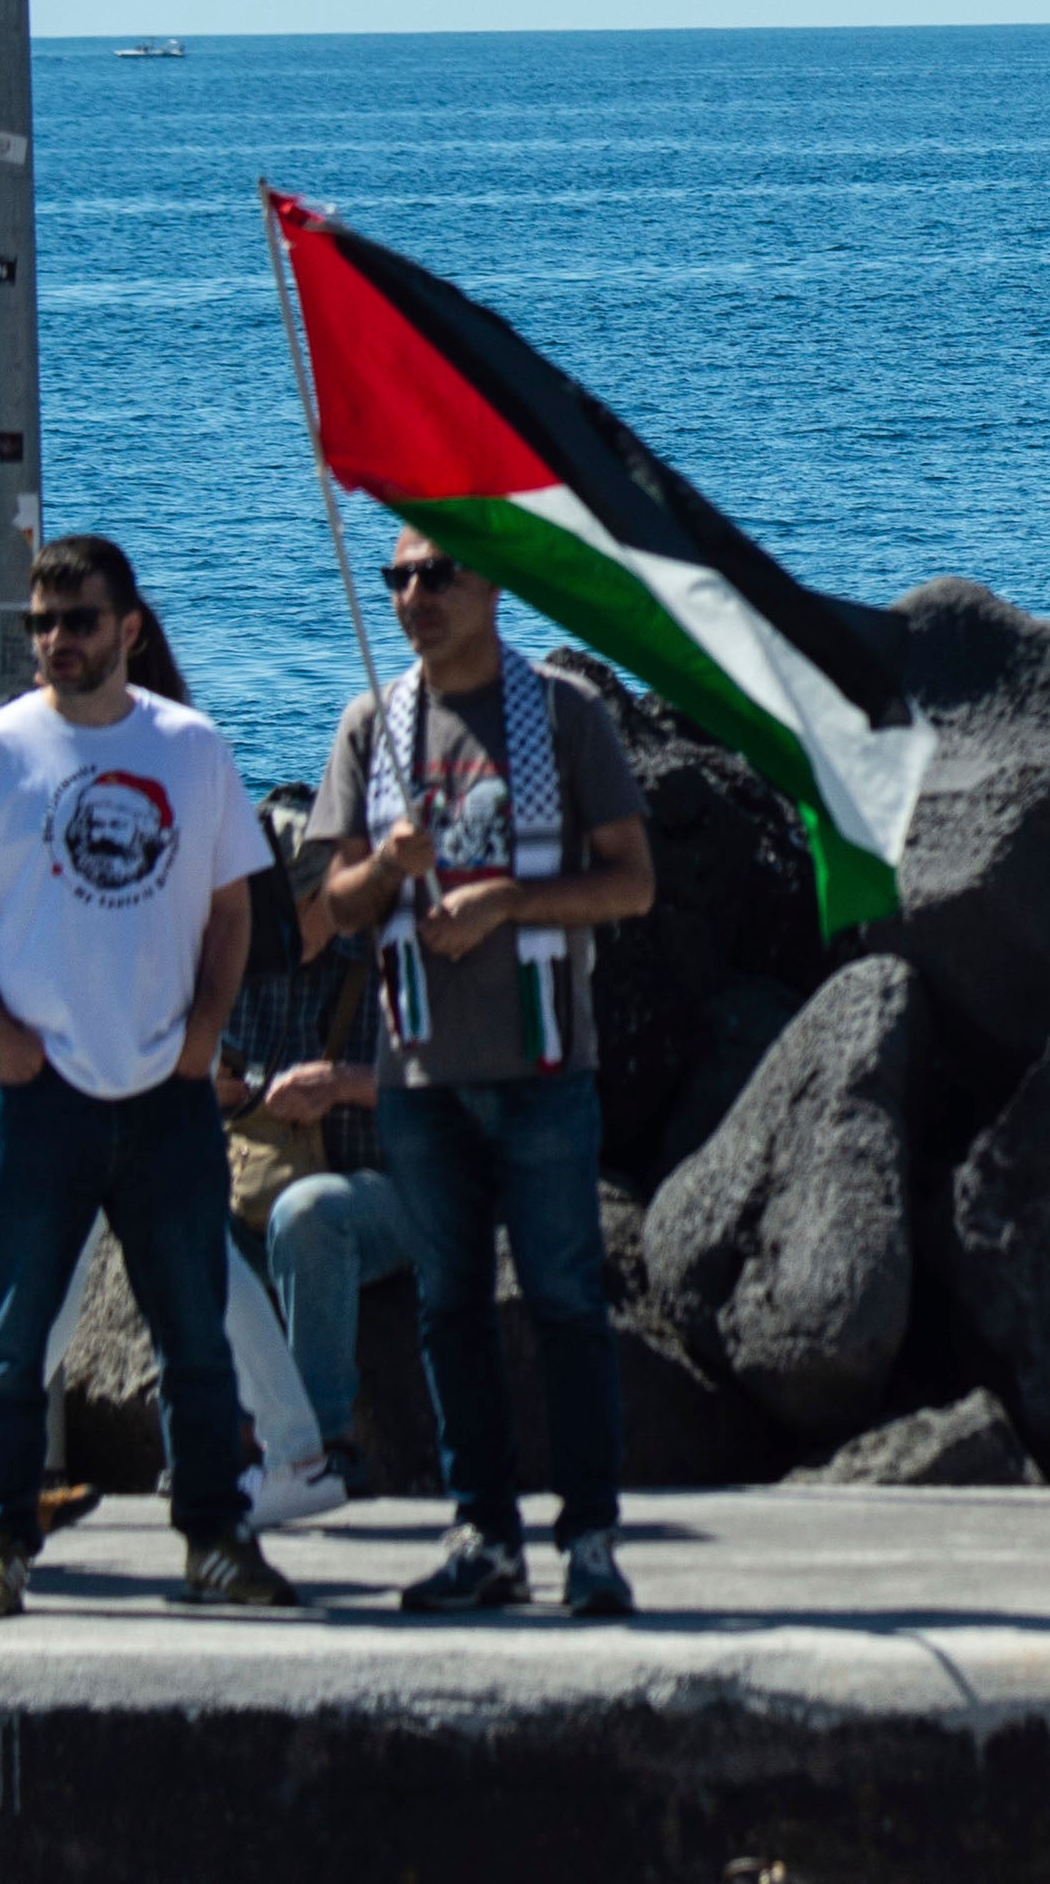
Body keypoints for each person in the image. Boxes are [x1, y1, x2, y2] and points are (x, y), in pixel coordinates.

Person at [0, 535, 296, 1621]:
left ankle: (216, 1540)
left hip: (166, 1097)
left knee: (195, 1338)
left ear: (128, 626)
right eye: (40, 624)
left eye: (78, 620)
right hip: (37, 1103)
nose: (57, 643)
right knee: (7, 1335)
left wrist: (205, 1030)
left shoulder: (192, 749)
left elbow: (233, 907)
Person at [320, 526, 659, 1615]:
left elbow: (630, 884)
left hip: (543, 1063)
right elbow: (335, 906)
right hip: (419, 1071)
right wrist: (388, 865)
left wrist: (511, 899)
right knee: (448, 1305)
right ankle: (483, 1534)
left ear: (493, 582)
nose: (414, 594)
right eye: (399, 577)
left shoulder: (564, 715)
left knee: (565, 1299)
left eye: (437, 573)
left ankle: (591, 1537)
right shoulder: (372, 723)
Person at [217, 809, 408, 1505]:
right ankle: (221, 1436)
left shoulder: (392, 953)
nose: (277, 928)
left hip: (394, 1185)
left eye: (293, 909)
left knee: (308, 1215)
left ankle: (322, 1447)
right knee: (169, 1208)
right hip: (261, 1181)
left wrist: (341, 1086)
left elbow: (448, 1091)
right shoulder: (250, 961)